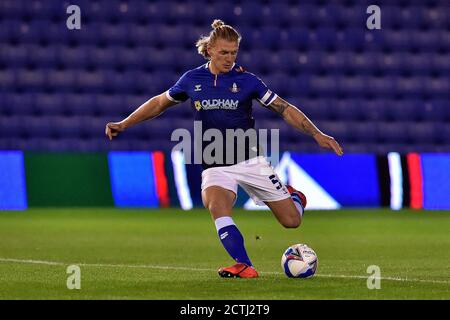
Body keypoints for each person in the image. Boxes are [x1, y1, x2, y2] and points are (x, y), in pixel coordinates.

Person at [105, 19, 344, 278]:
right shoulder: (192, 79)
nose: (229, 58)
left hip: (250, 160)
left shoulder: (248, 81)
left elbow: (283, 108)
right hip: (214, 162)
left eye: (233, 53)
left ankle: (294, 197)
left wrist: (316, 133)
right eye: (224, 53)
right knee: (216, 205)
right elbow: (159, 103)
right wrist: (125, 123)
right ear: (210, 50)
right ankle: (244, 264)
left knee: (291, 221)